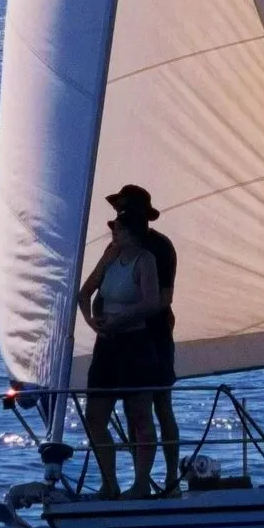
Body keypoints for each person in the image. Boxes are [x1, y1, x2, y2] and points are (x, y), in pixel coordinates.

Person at [76, 184, 181, 498]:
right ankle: (124, 483)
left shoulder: (158, 250)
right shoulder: (114, 250)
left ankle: (169, 479)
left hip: (153, 335)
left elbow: (161, 300)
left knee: (157, 407)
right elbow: (93, 289)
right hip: (113, 340)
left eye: (124, 211)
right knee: (115, 413)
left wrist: (126, 317)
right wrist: (97, 319)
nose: (117, 218)